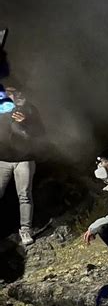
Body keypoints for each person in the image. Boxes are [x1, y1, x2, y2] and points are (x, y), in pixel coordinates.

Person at [0, 86, 44, 246]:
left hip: (25, 159)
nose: (14, 95)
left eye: (16, 92)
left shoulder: (30, 109)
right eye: (10, 92)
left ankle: (26, 229)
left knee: (25, 195)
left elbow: (40, 132)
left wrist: (25, 122)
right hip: (2, 159)